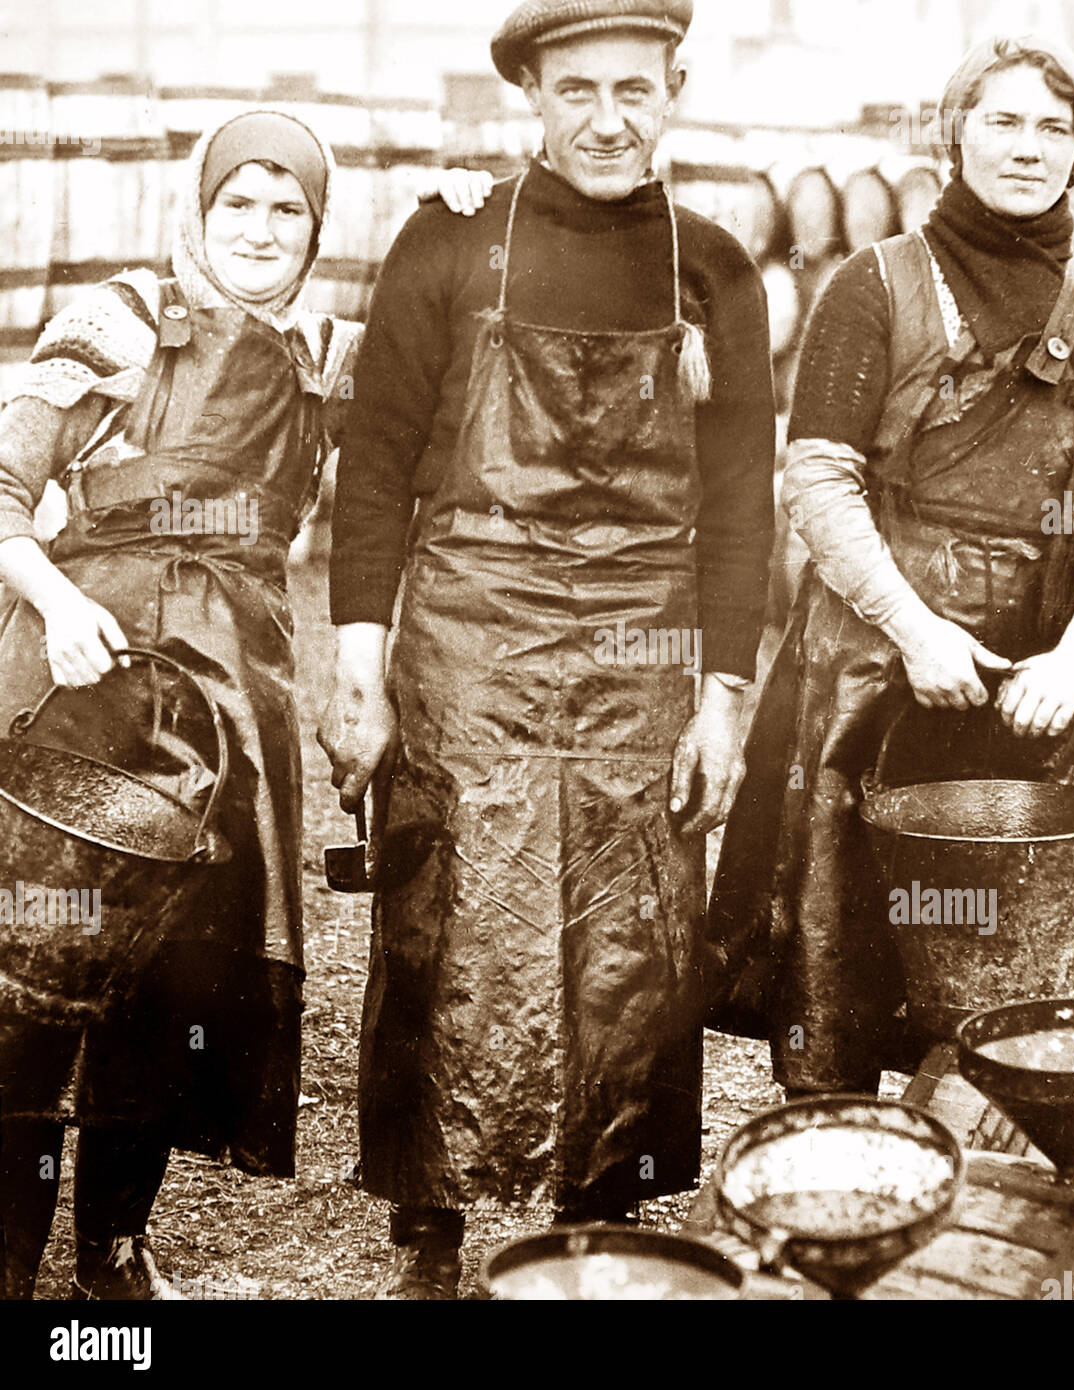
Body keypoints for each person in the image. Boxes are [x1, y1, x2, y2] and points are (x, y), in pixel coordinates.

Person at [319, 0, 775, 1298]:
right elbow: (376, 467)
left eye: (636, 87)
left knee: (632, 929)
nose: (608, 118)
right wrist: (361, 661)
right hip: (472, 640)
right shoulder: (449, 240)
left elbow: (744, 500)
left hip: (647, 645)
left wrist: (725, 694)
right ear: (530, 93)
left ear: (677, 88)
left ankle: (601, 1216)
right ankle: (432, 1223)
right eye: (577, 89)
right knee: (449, 919)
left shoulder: (720, 272)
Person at [705, 35, 1074, 1096]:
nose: (1028, 147)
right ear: (952, 131)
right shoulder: (871, 287)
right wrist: (914, 630)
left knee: (1024, 996)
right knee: (839, 971)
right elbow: (819, 481)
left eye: (1054, 126)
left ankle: (982, 1231)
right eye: (1003, 120)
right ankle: (845, 1203)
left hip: (1045, 682)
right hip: (876, 671)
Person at [0, 109, 360, 1299]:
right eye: (237, 204)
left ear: (317, 229)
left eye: (287, 209)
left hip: (231, 706)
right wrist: (52, 600)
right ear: (199, 211)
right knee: (36, 976)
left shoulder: (330, 355)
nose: (260, 230)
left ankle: (112, 1242)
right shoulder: (120, 317)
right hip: (82, 685)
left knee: (176, 979)